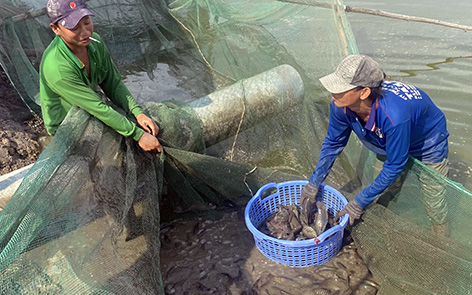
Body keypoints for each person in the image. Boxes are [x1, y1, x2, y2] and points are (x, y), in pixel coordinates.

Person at [300, 54, 449, 235]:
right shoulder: (340, 105)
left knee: (434, 201)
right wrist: (313, 182)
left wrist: (358, 202)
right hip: (386, 138)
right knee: (383, 187)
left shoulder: (394, 117)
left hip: (427, 142)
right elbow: (333, 142)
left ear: (364, 92)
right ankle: (381, 223)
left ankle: (440, 235)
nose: (333, 95)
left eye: (340, 89)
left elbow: (394, 165)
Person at [40, 0, 162, 152]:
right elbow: (98, 108)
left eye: (86, 22)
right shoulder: (57, 68)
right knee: (116, 150)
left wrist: (138, 113)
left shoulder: (94, 42)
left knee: (146, 125)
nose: (85, 32)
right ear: (56, 29)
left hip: (90, 102)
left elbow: (113, 83)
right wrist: (138, 135)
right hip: (68, 122)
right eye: (74, 27)